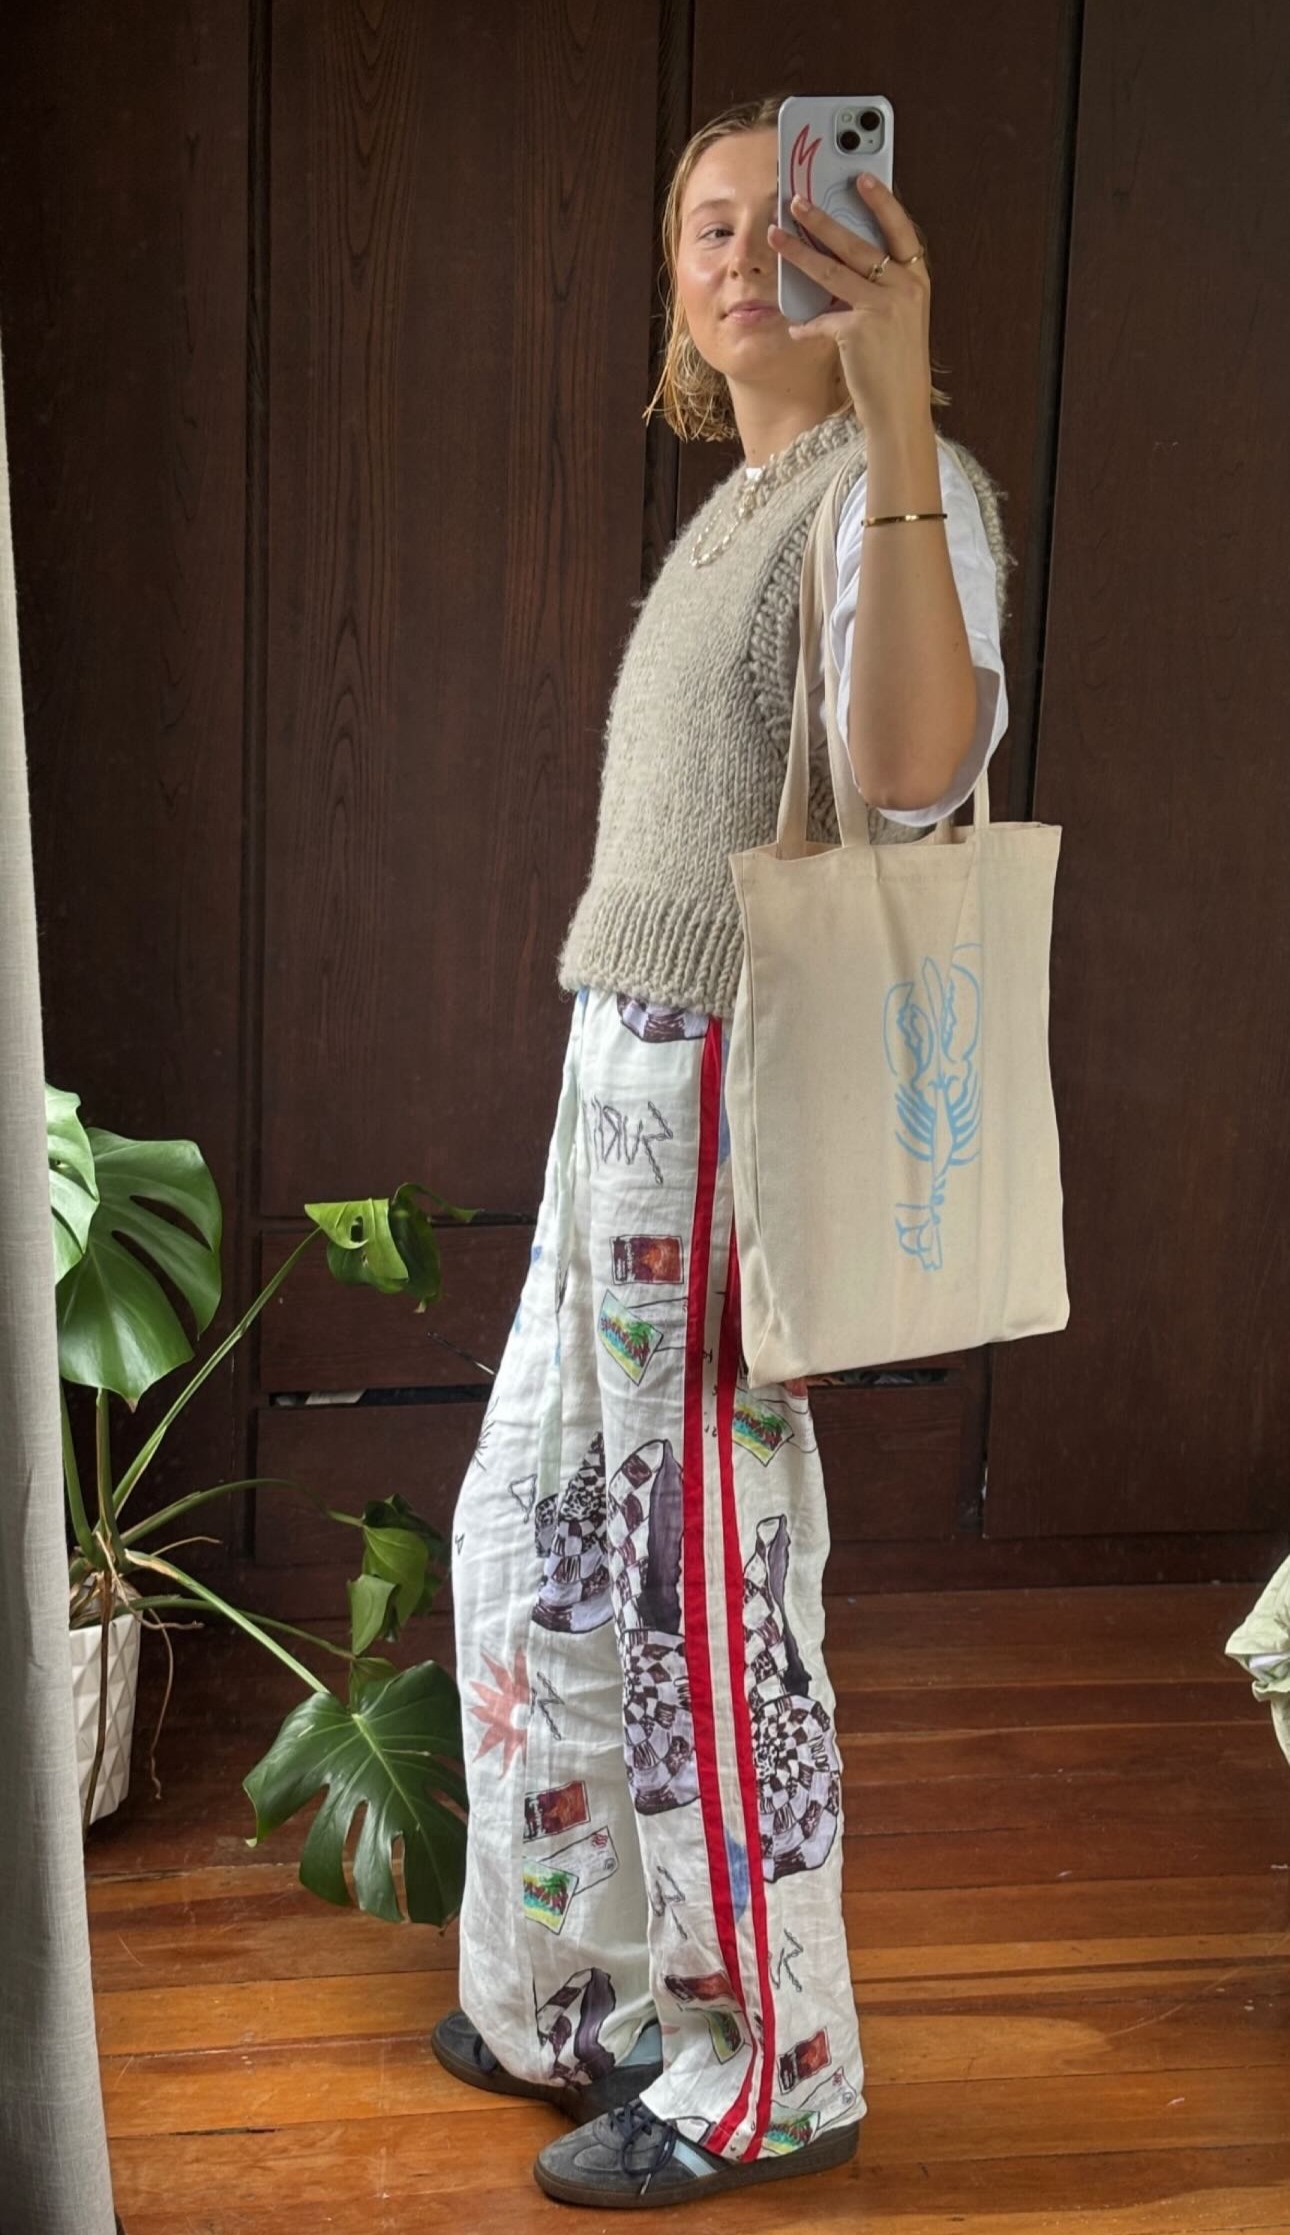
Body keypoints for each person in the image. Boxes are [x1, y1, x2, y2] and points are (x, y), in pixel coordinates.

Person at [432, 92, 1015, 2208]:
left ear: (880, 243)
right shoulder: (735, 505)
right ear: (677, 285)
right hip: (619, 1069)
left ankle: (781, 2064)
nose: (749, 248)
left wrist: (889, 416)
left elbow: (920, 778)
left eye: (805, 212)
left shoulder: (900, 486)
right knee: (534, 1532)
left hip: (724, 1094)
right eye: (710, 223)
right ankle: (576, 1995)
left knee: (704, 1596)